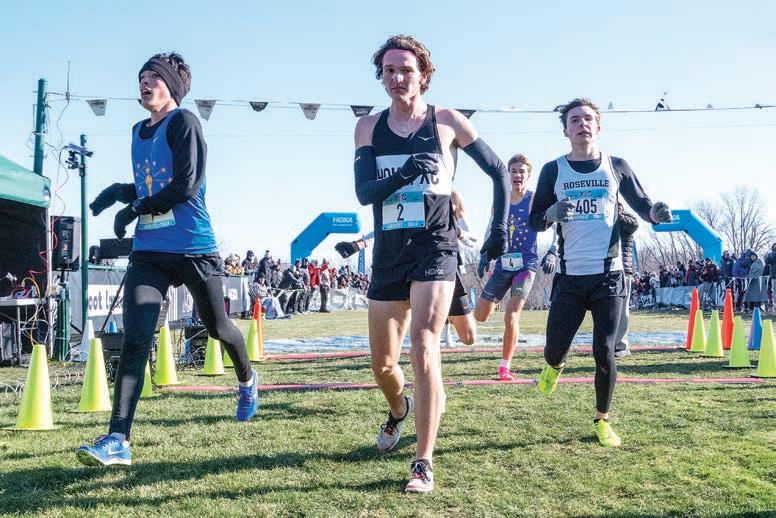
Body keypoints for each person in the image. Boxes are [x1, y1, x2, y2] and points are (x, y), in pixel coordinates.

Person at [79, 52, 258, 467]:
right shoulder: (137, 131)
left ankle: (248, 379)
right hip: (150, 251)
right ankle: (118, 439)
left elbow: (185, 185)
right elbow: (150, 184)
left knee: (218, 327)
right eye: (141, 77)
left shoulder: (185, 123)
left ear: (172, 87)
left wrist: (135, 207)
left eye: (153, 78)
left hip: (193, 247)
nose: (144, 84)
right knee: (136, 340)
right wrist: (121, 192)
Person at [352, 35, 508, 492]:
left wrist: (498, 228)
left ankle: (423, 462)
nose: (397, 78)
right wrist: (404, 173)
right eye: (389, 71)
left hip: (435, 247)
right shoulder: (368, 127)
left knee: (424, 345)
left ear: (423, 76)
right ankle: (398, 408)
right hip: (389, 252)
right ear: (381, 77)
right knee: (383, 365)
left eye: (406, 70)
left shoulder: (447, 121)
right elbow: (364, 193)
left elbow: (499, 170)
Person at [528, 98, 672, 448]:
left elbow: (643, 205)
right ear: (566, 130)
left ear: (599, 126)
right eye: (575, 120)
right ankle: (554, 365)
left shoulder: (615, 166)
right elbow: (535, 220)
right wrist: (551, 213)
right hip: (570, 277)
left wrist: (656, 213)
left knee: (605, 351)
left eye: (588, 119)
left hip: (609, 275)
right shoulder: (552, 170)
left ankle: (602, 419)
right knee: (554, 349)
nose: (582, 124)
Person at [473, 153, 539, 380]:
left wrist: (553, 252)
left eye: (522, 172)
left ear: (528, 176)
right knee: (480, 315)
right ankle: (497, 298)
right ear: (508, 174)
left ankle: (504, 367)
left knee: (511, 316)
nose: (517, 175)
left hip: (526, 267)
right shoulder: (500, 201)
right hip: (502, 265)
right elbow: (490, 229)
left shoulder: (533, 199)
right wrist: (484, 254)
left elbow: (553, 225)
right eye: (513, 171)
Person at [613, 203, 638, 358]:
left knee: (622, 311)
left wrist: (615, 214)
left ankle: (621, 345)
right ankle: (608, 343)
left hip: (623, 270)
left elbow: (633, 224)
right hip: (607, 269)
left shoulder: (627, 220)